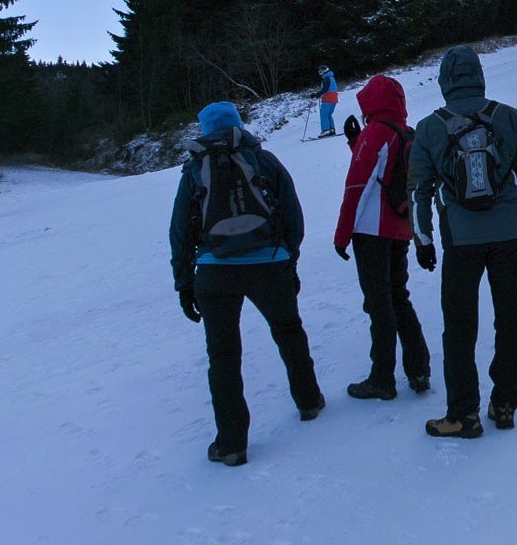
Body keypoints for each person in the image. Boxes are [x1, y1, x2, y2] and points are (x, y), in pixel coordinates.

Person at [169, 101, 324, 467]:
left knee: (223, 356)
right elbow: (292, 215)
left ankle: (232, 443)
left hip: (214, 270)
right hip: (269, 264)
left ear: (205, 130)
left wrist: (183, 282)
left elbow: (179, 231)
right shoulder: (264, 161)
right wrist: (289, 259)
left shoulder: (195, 169)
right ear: (239, 125)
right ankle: (309, 401)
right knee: (288, 330)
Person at [409, 46, 517, 439]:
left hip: (460, 241)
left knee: (460, 327)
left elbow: (419, 190)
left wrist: (423, 240)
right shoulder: (509, 117)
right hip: (509, 236)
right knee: (510, 322)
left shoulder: (431, 127)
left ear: (444, 81)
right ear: (480, 75)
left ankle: (463, 415)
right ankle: (504, 405)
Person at [333, 75, 432, 401]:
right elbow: (385, 171)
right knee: (398, 298)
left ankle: (382, 378)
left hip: (371, 231)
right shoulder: (406, 132)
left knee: (379, 304)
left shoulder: (375, 132)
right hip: (399, 229)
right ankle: (419, 370)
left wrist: (342, 235)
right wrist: (354, 142)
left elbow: (358, 186)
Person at [314, 65, 339, 138]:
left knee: (324, 114)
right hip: (333, 99)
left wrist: (317, 95)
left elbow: (325, 89)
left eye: (321, 71)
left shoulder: (327, 78)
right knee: (328, 114)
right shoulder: (331, 77)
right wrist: (317, 94)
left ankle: (326, 130)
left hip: (328, 99)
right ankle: (331, 129)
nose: (320, 73)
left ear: (324, 71)